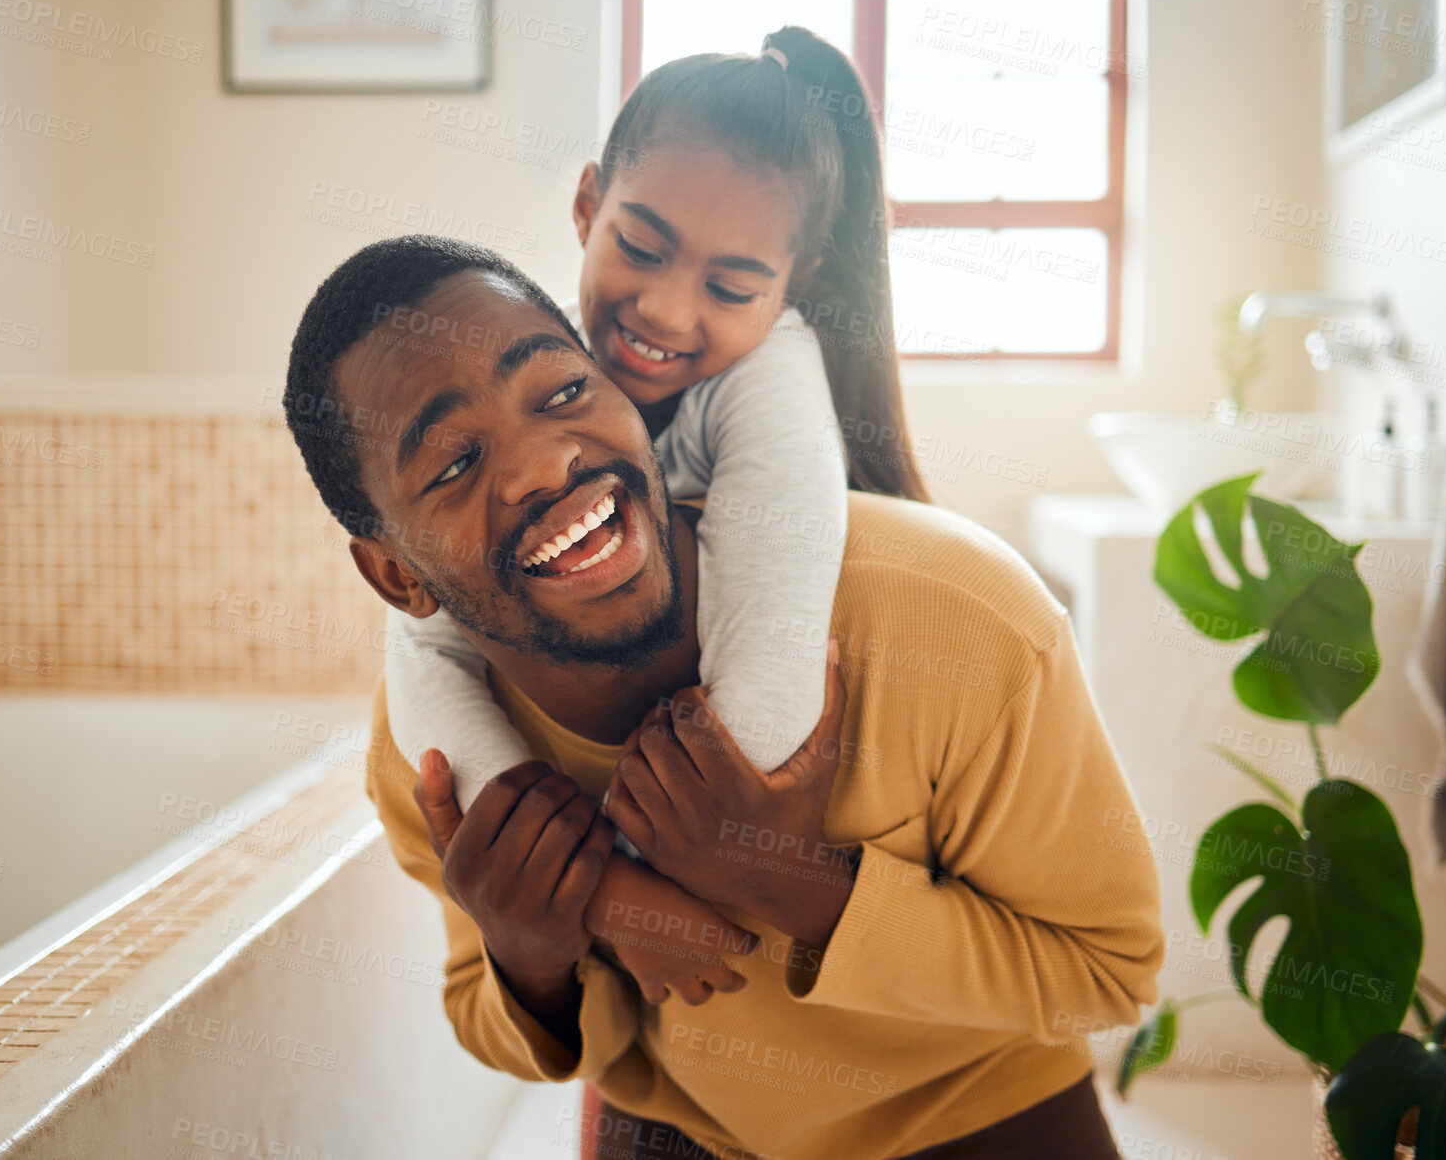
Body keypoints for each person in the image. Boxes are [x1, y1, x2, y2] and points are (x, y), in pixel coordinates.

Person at [282, 234, 1163, 1160]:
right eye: (455, 464)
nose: (545, 466)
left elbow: (1105, 972)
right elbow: (488, 1016)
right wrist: (528, 960)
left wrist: (800, 884)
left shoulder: (954, 618)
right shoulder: (436, 753)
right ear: (395, 576)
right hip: (681, 1130)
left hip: (980, 1119)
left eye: (561, 392)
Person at [381, 26, 927, 1005]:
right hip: (640, 1007)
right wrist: (610, 898)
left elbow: (765, 702)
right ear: (587, 205)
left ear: (790, 285)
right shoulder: (530, 359)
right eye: (639, 246)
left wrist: (651, 884)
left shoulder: (769, 376)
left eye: (731, 286)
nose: (669, 312)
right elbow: (424, 648)